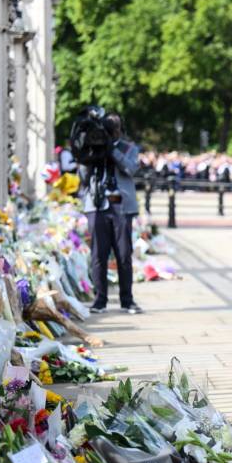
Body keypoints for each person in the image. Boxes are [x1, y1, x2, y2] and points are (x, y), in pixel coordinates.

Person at [80, 113, 143, 315]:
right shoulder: (94, 145)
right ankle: (100, 300)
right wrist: (87, 151)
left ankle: (127, 300)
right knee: (98, 254)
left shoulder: (128, 148)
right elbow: (82, 176)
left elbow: (131, 168)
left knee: (123, 254)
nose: (108, 132)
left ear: (119, 129)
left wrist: (112, 150)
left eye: (112, 128)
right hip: (97, 206)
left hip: (121, 206)